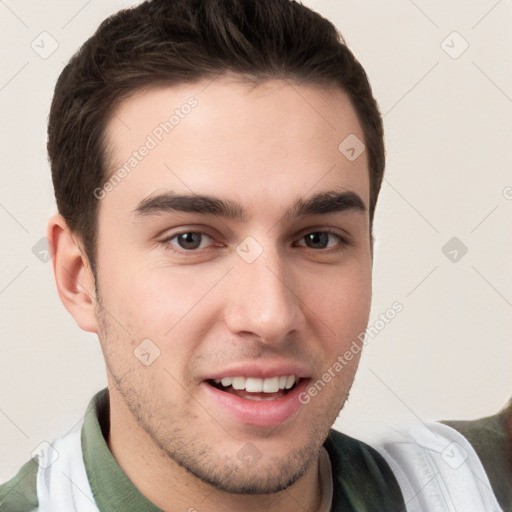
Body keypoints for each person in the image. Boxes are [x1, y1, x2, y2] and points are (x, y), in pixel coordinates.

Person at [0, 1, 510, 511]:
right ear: (77, 276)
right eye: (190, 240)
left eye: (317, 239)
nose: (270, 315)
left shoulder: (481, 485)